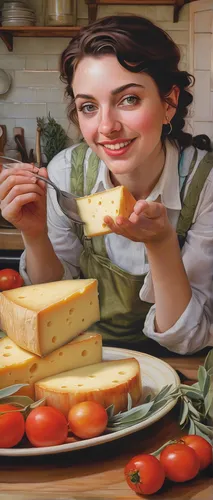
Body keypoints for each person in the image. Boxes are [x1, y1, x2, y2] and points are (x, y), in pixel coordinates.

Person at [0, 15, 213, 355]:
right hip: (85, 356)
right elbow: (52, 306)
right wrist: (35, 234)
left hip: (179, 369)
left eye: (128, 99)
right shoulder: (66, 174)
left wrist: (161, 243)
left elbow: (187, 338)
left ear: (169, 103)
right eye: (88, 107)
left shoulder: (205, 186)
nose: (106, 127)